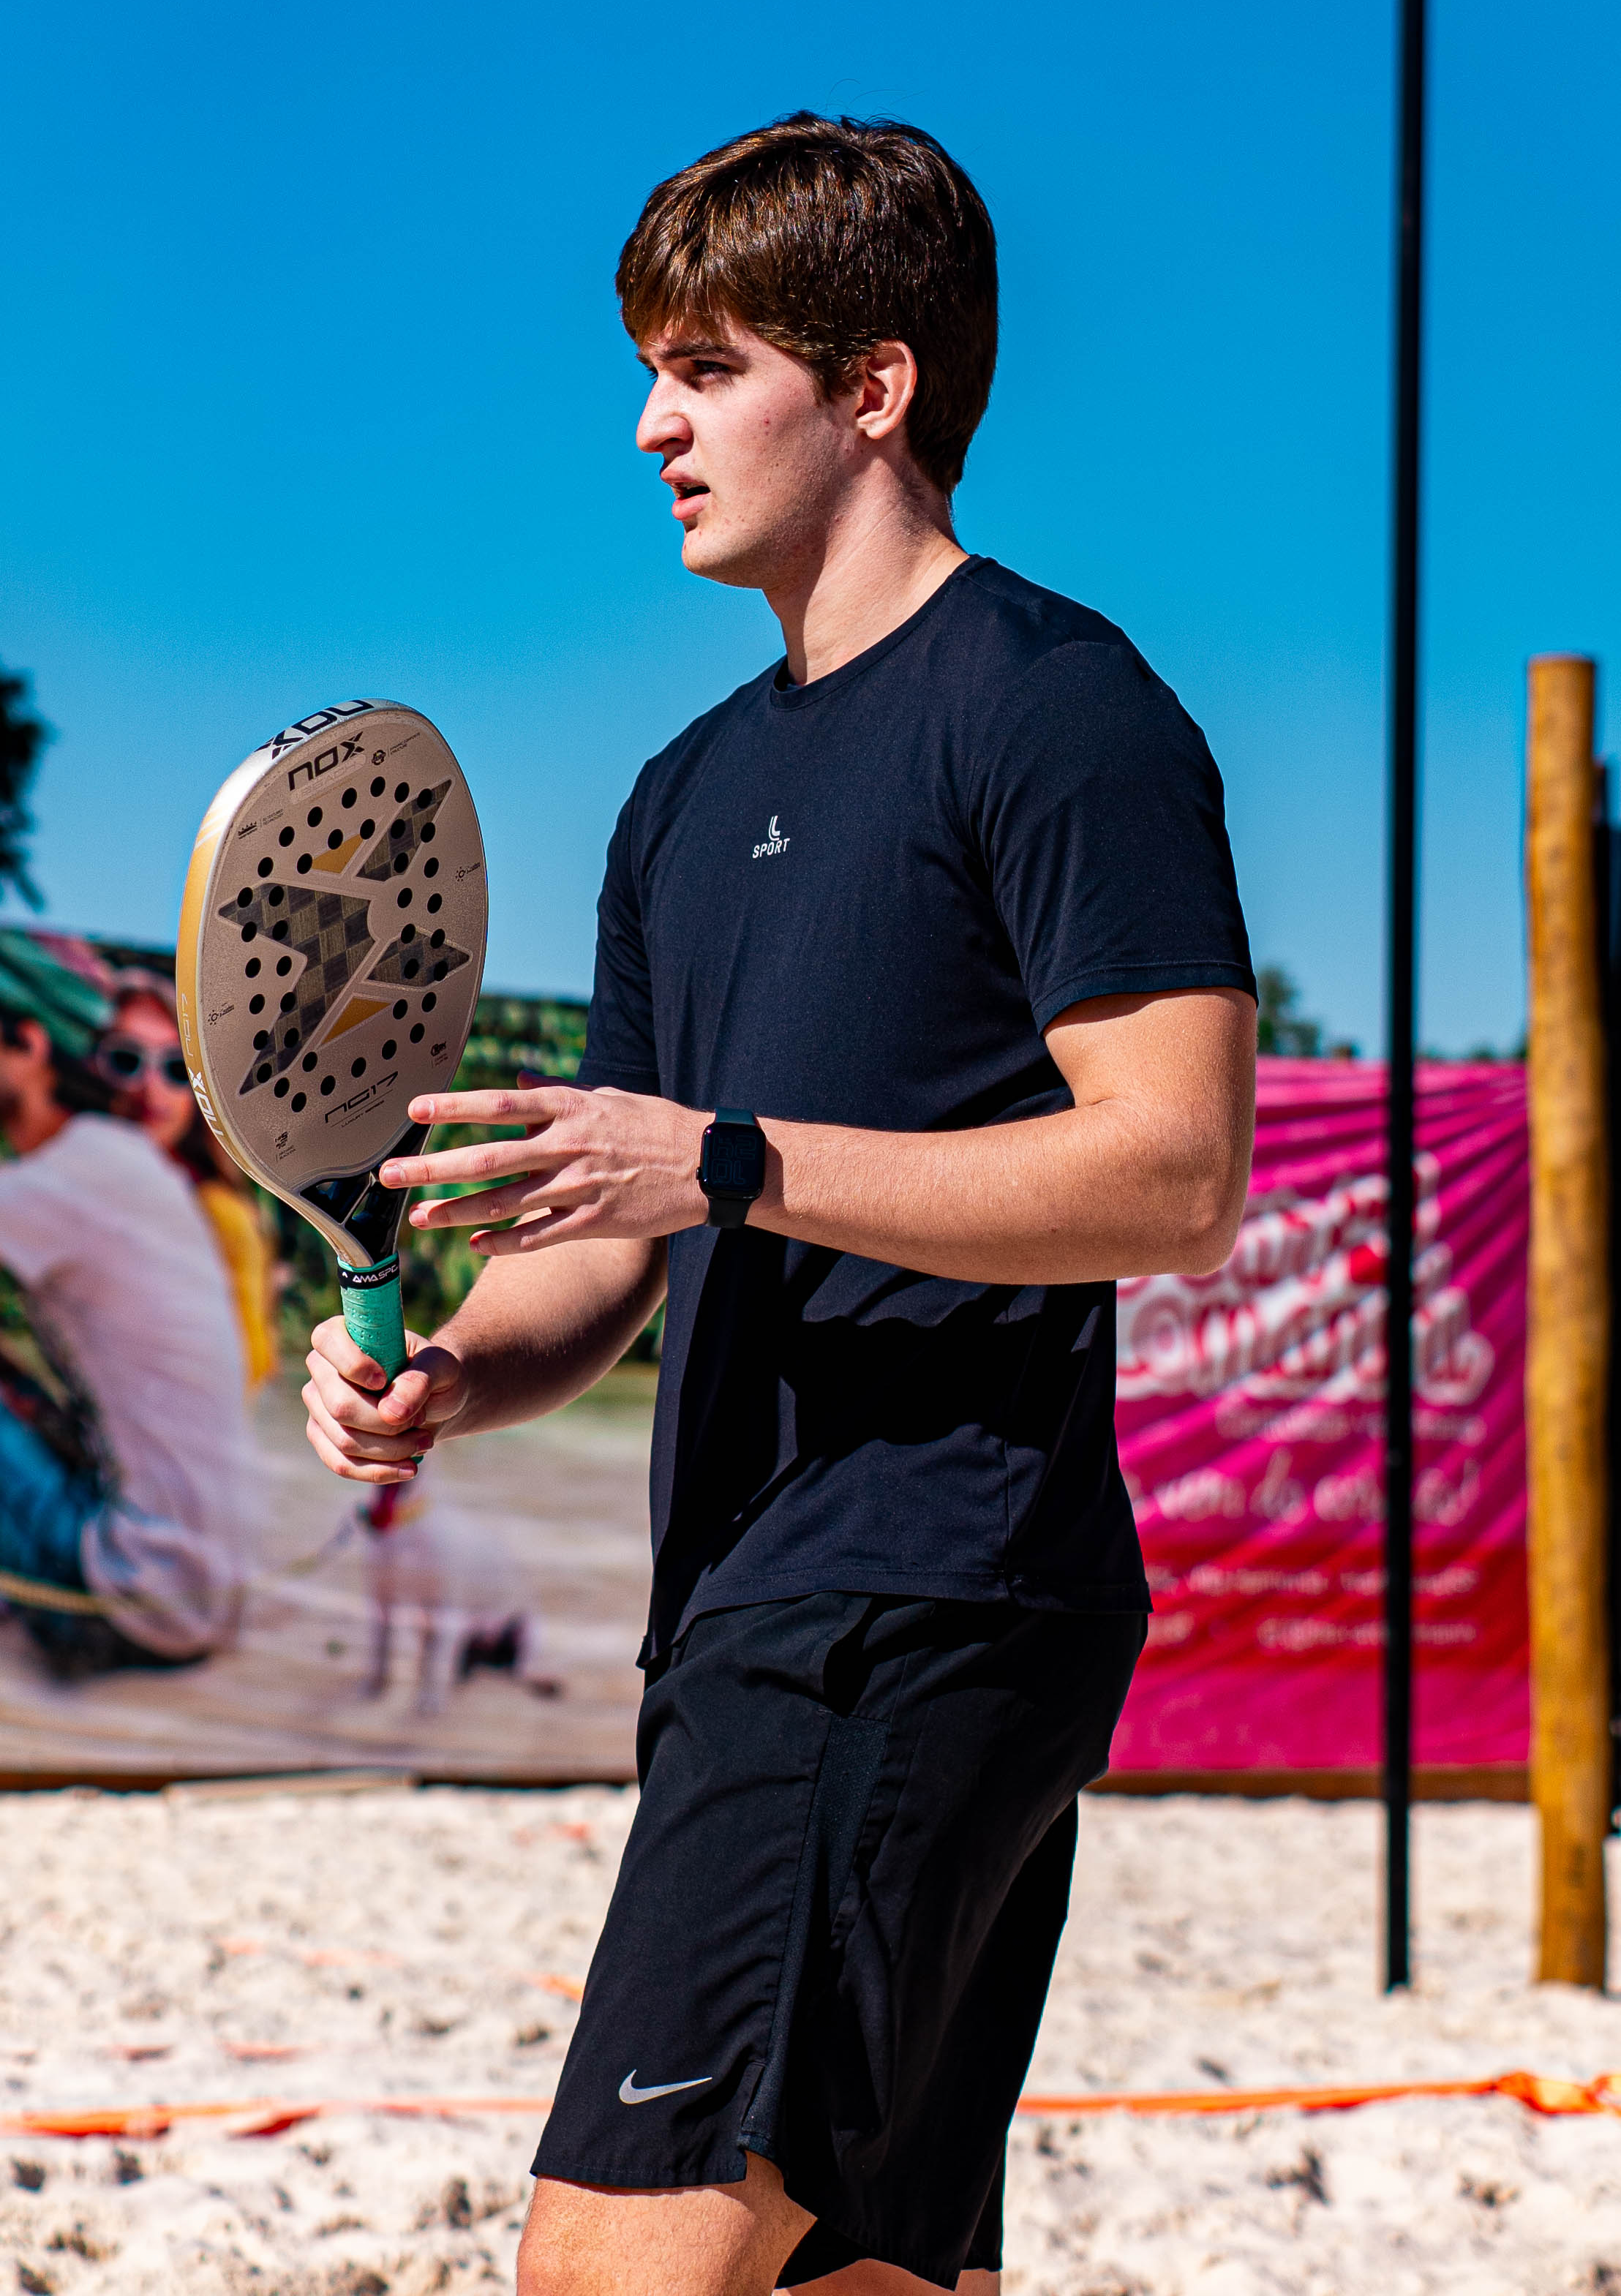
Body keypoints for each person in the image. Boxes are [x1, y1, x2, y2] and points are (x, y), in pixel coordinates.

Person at [302, 114, 1257, 2296]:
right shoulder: (681, 795)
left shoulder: (1057, 705)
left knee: (616, 2270)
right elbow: (607, 1252)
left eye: (708, 362)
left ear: (876, 387)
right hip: (757, 1598)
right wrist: (458, 1367)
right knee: (858, 2277)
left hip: (918, 1591)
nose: (650, 420)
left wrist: (727, 1158)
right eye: (652, 366)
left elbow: (1178, 1166)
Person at [0, 927, 260, 1674]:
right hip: (202, 1586)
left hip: (138, 1594)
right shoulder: (119, 1166)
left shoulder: (78, 1173)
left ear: (27, 1040)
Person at [99, 968, 282, 1391]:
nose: (150, 1087)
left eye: (176, 1068)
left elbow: (248, 1365)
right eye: (126, 1059)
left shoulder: (215, 1212)